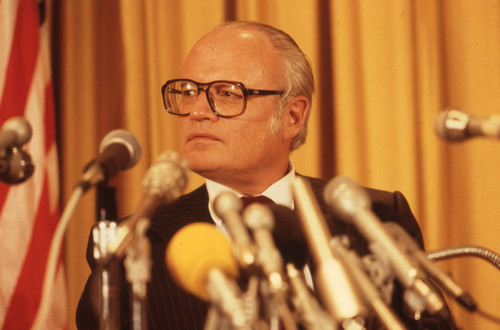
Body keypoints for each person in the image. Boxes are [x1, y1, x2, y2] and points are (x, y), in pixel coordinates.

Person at [77, 21, 454, 329]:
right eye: (188, 91)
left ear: (293, 116)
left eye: (226, 93)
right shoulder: (132, 246)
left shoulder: (374, 216)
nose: (196, 111)